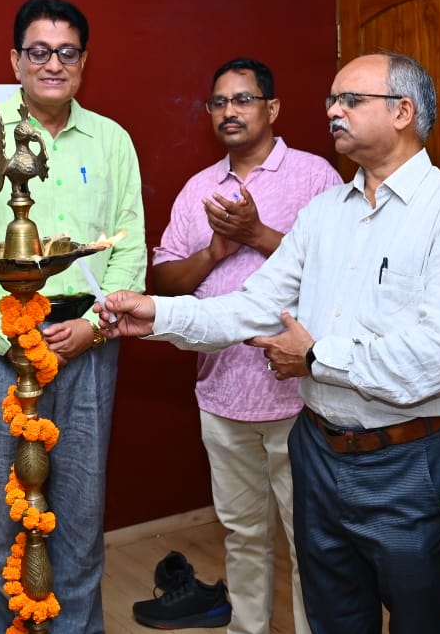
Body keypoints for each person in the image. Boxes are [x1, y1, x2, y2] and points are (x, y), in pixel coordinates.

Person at [102, 51, 440, 634]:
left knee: (417, 618)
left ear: (403, 112)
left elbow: (433, 362)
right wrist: (155, 314)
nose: (333, 111)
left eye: (350, 100)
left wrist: (314, 358)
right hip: (318, 448)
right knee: (334, 614)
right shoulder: (323, 214)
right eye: (332, 100)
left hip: (406, 460)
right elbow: (251, 305)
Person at [0, 0, 146, 634]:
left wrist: (96, 327)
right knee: (3, 518)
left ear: (83, 61)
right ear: (15, 60)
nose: (53, 64)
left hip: (86, 339)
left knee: (79, 515)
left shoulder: (111, 140)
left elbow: (130, 244)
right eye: (39, 52)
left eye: (67, 53)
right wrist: (14, 340)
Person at [147, 58, 341, 634]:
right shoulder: (198, 189)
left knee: (311, 540)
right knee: (243, 533)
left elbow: (338, 272)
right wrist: (215, 252)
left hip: (299, 398)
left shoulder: (315, 177)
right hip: (222, 395)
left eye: (243, 99)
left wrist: (256, 234)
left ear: (272, 108)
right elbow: (165, 281)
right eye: (219, 102)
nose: (229, 112)